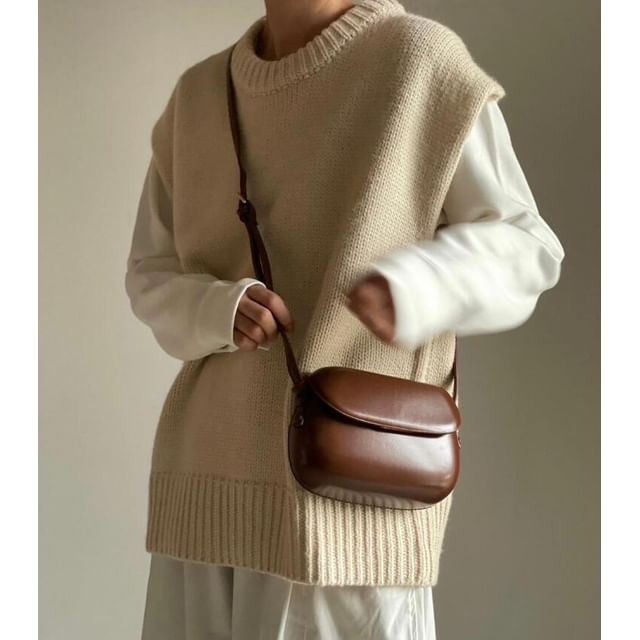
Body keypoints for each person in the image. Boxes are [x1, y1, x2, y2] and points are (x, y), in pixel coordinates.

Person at [124, 1, 565, 638]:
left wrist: (419, 284)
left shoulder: (419, 62)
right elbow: (150, 270)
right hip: (202, 490)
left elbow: (528, 246)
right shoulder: (198, 95)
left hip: (346, 507)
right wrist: (215, 309)